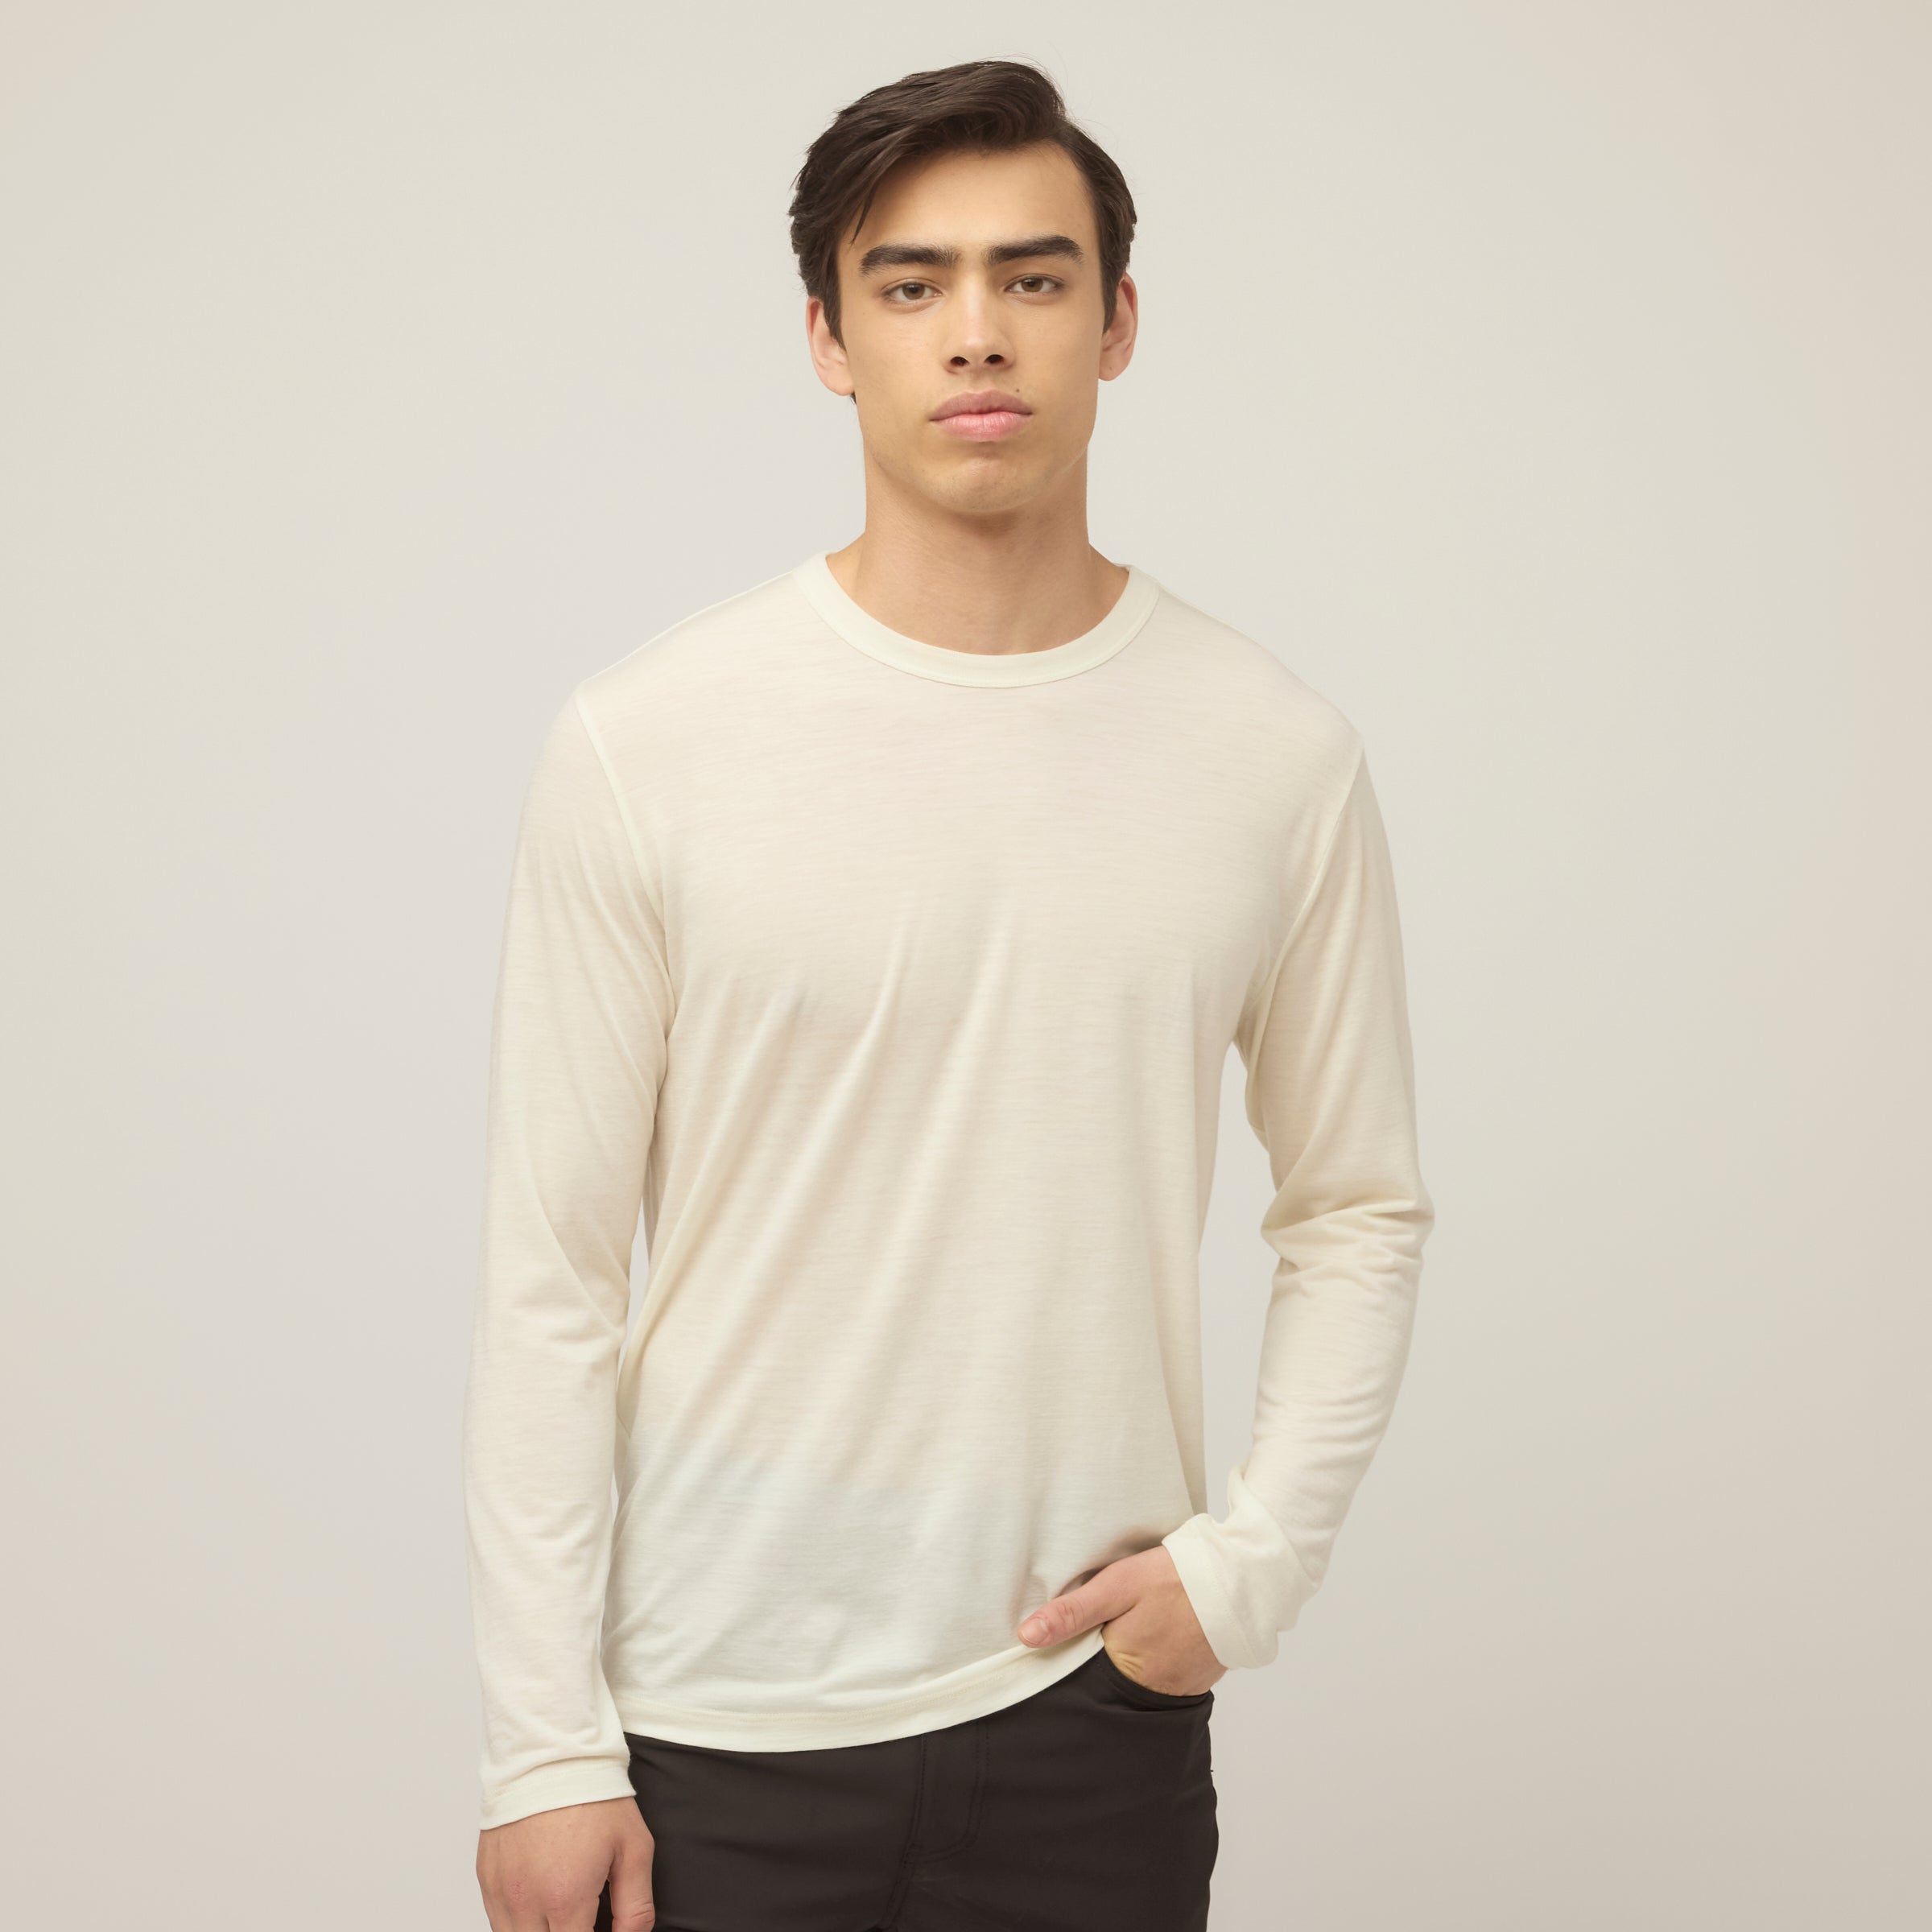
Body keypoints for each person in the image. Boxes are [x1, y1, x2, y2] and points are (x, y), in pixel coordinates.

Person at [464, 56, 1434, 1932]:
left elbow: (1358, 1205)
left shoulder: (1272, 754)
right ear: (829, 338)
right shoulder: (650, 742)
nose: (975, 332)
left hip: (1086, 1713)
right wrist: (541, 1748)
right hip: (711, 1721)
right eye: (910, 285)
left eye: (1032, 277)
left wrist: (1251, 1569)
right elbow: (551, 1275)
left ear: (1117, 320)